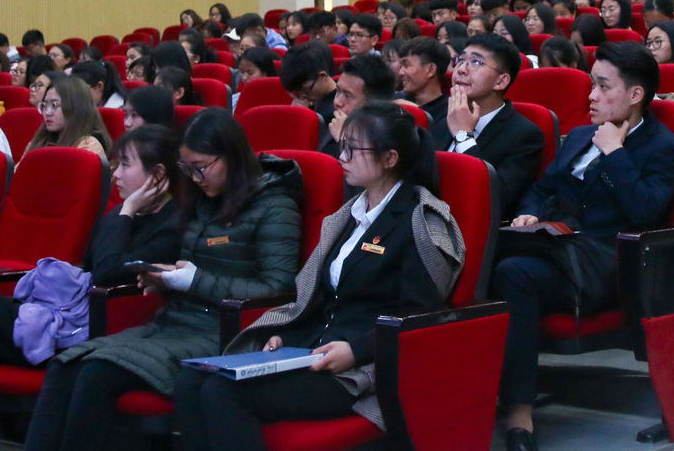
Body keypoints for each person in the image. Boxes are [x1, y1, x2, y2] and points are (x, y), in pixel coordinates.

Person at [173, 101, 465, 451]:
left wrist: (355, 351)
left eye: (353, 150)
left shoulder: (419, 220)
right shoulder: (350, 214)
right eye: (343, 146)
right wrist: (285, 335)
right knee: (191, 381)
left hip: (364, 367)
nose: (342, 157)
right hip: (314, 349)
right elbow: (324, 301)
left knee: (223, 391)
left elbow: (419, 318)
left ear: (390, 158)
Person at [0, 124, 183, 451]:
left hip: (87, 335)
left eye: (126, 165)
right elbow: (92, 265)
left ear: (157, 175)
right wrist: (124, 214)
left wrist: (125, 212)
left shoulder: (171, 225)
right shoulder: (122, 215)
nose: (116, 174)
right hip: (62, 316)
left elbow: (105, 274)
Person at [24, 108, 302, 450]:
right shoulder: (203, 199)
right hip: (175, 321)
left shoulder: (275, 206)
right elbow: (190, 268)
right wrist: (166, 280)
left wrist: (192, 281)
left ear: (230, 156)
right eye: (187, 168)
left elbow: (278, 289)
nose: (194, 178)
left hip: (226, 331)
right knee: (66, 365)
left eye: (201, 167)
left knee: (98, 372)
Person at [492, 42, 674, 451]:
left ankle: (518, 413)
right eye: (591, 85)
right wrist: (528, 213)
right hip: (556, 247)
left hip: (606, 263)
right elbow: (543, 187)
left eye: (603, 86)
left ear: (635, 94)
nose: (591, 96)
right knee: (482, 258)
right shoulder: (581, 135)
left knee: (512, 273)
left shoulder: (664, 147)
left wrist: (614, 153)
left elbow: (645, 212)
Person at [431, 33, 544, 218]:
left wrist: (463, 136)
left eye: (475, 62)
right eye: (460, 60)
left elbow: (496, 199)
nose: (461, 70)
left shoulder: (525, 135)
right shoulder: (443, 120)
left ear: (501, 81)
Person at [25, 76, 112, 159]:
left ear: (75, 108)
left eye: (54, 105)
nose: (47, 112)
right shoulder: (40, 142)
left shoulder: (89, 146)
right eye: (45, 105)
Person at [325, 55, 397, 150]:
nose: (337, 102)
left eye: (348, 96)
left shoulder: (390, 140)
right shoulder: (336, 123)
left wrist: (344, 140)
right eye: (338, 90)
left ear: (374, 104)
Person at [281, 41, 338, 124]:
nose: (303, 97)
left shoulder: (338, 109)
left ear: (322, 76)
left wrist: (304, 116)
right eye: (297, 93)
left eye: (306, 90)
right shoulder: (314, 100)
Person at [397, 37, 451, 125]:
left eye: (406, 65)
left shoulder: (450, 115)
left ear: (431, 70)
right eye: (401, 66)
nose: (400, 72)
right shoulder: (396, 100)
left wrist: (419, 113)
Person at [232, 46, 279, 112]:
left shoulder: (279, 99)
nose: (244, 78)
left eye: (250, 73)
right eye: (242, 72)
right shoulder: (235, 100)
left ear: (265, 73)